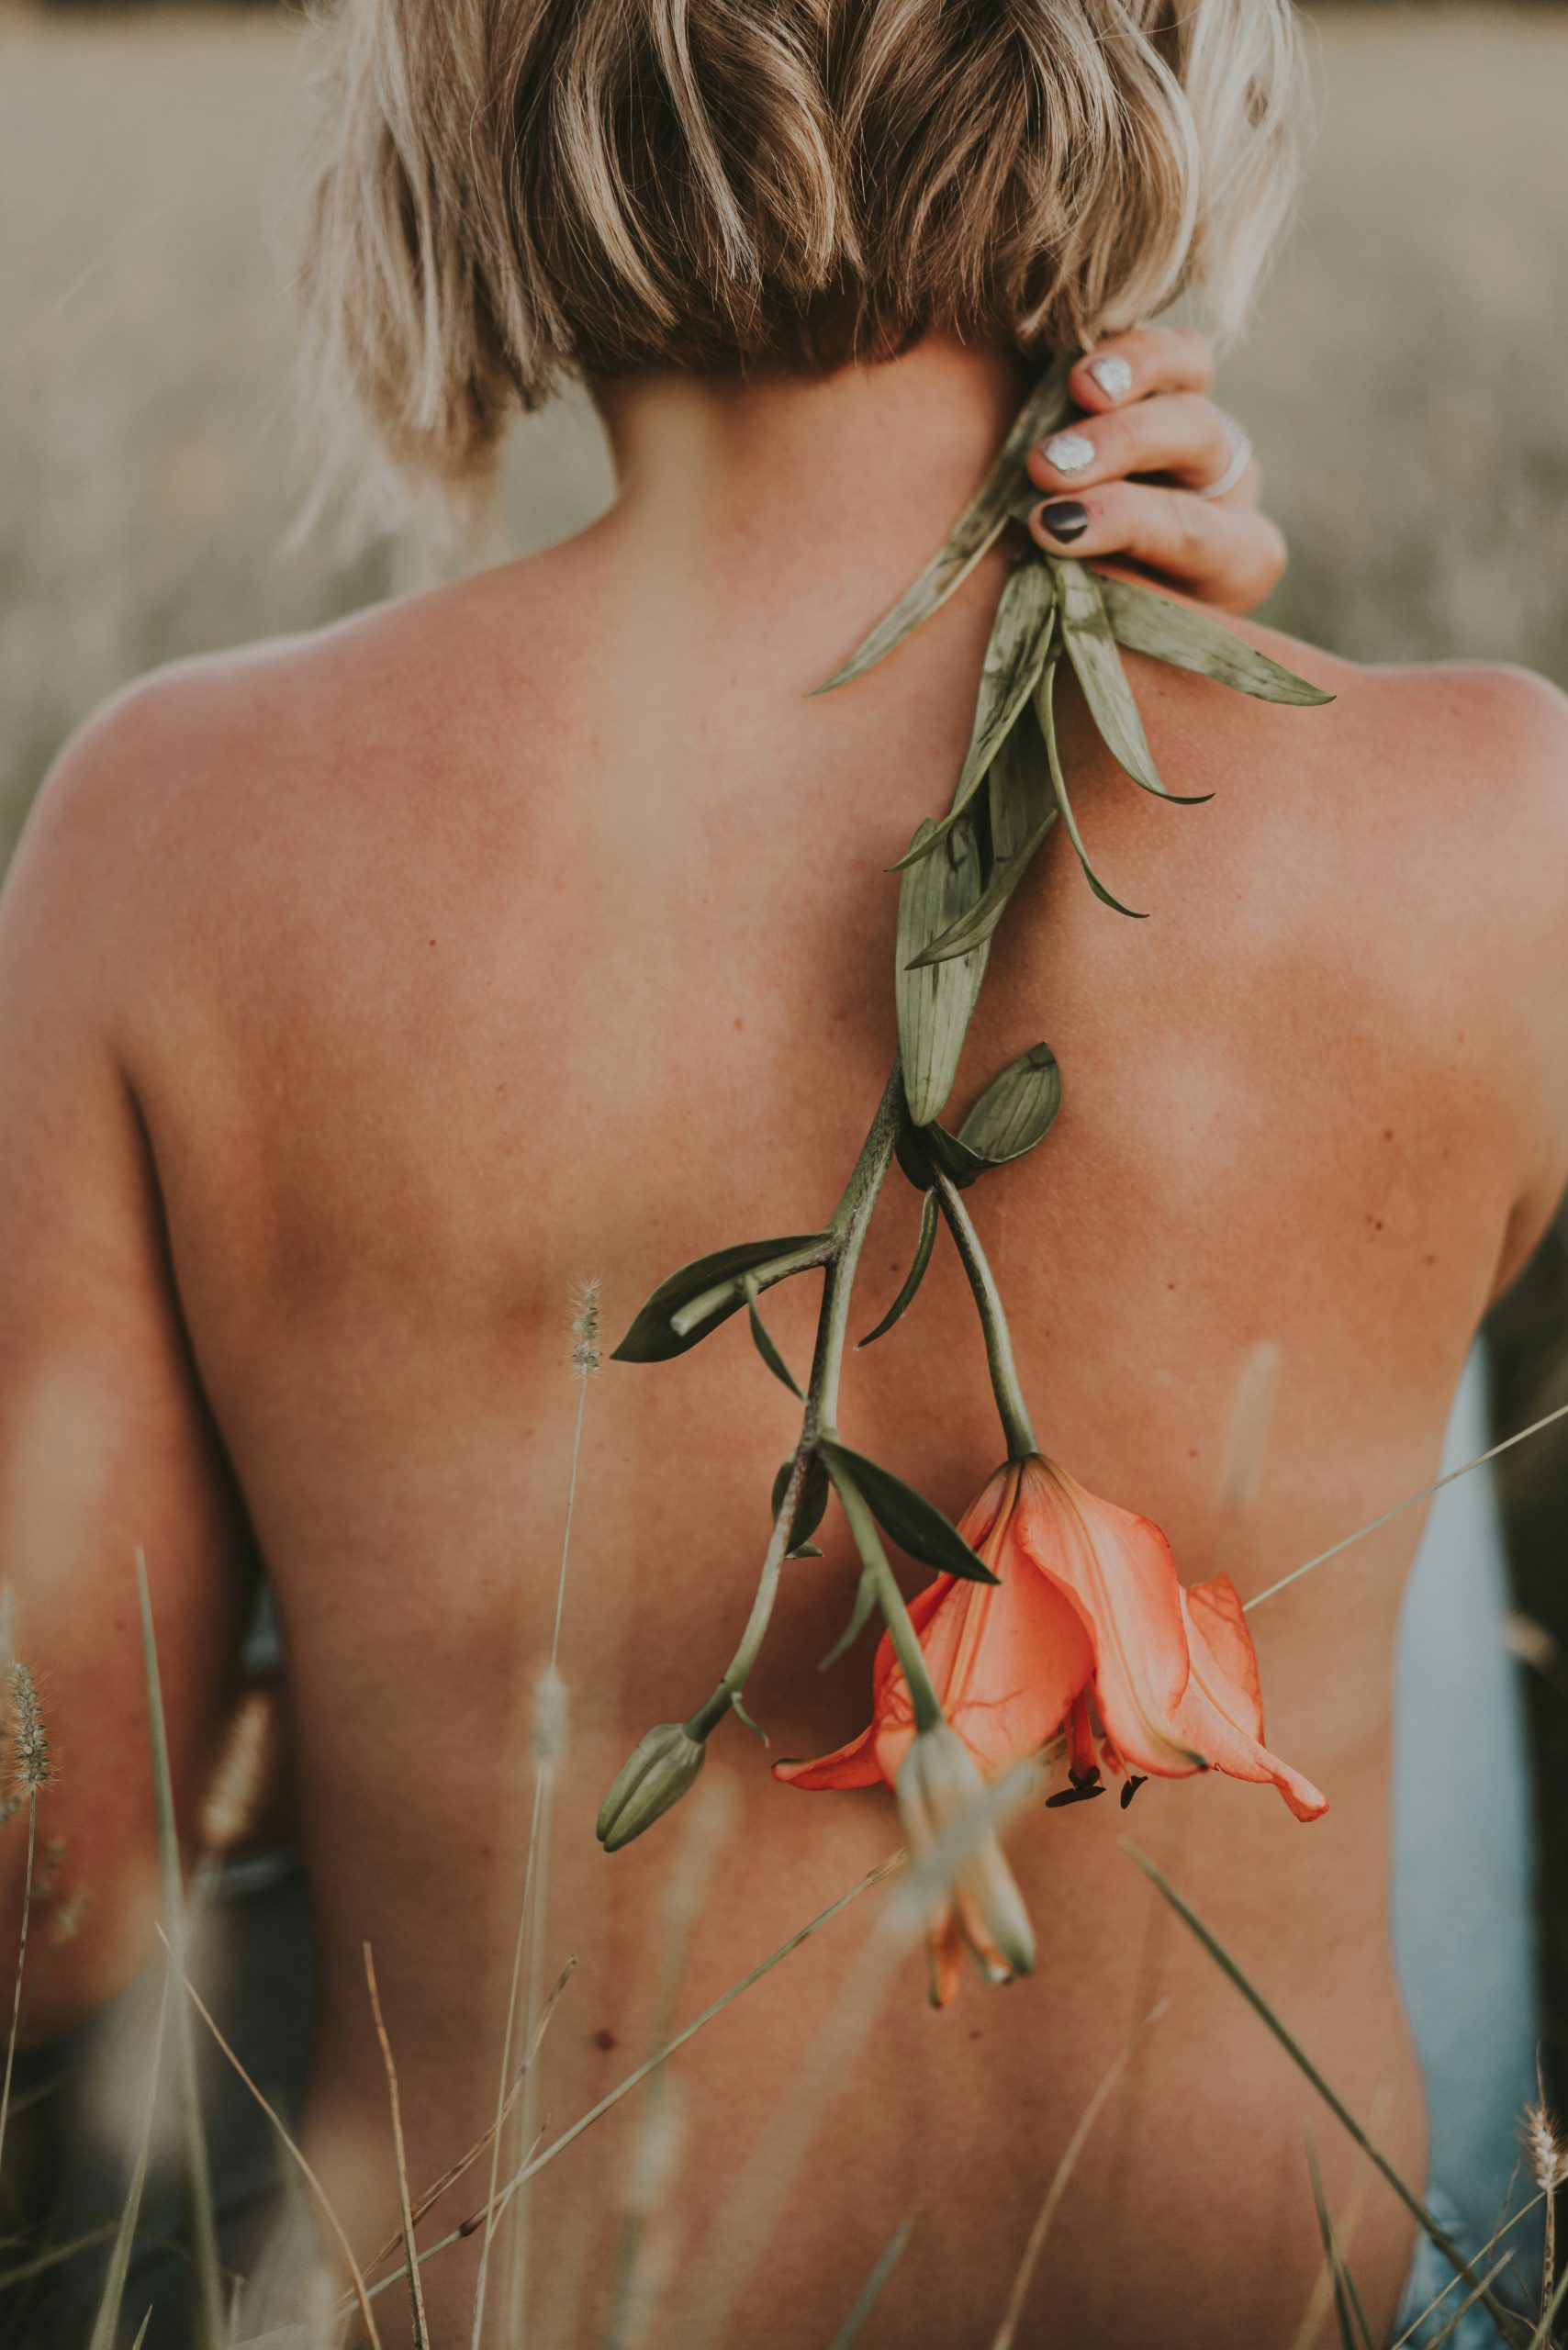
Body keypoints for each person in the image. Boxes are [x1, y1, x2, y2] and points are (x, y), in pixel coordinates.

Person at [2, 2, 1565, 2344]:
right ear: (1170, 77)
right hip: (1298, 2307)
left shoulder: (175, 825)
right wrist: (1235, 729)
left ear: (452, 106)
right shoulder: (1504, 812)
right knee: (1388, 1408)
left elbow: (60, 1909)